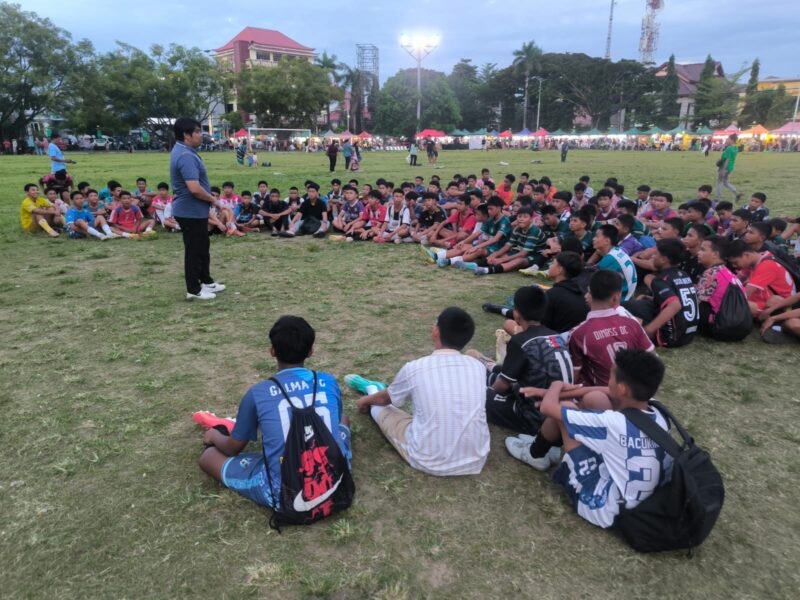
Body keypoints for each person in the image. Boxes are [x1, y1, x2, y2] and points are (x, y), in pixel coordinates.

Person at [198, 316, 352, 512]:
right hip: (335, 478)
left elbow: (232, 448)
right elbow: (337, 419)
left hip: (284, 492)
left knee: (209, 456)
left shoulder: (257, 393)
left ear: (272, 351)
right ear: (311, 351)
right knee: (343, 420)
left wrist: (213, 435)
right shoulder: (329, 381)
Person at [510, 350, 673, 531]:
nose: (607, 381)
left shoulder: (612, 423)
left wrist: (555, 387)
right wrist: (552, 392)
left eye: (611, 376)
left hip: (605, 508)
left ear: (622, 389)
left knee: (566, 409)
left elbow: (548, 407)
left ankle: (535, 453)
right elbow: (604, 391)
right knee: (595, 399)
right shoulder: (658, 411)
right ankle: (546, 447)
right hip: (641, 501)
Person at [354, 307, 489, 476]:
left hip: (428, 459)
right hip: (477, 457)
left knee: (382, 409)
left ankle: (370, 389)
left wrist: (364, 401)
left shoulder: (415, 368)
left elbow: (384, 400)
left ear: (435, 331)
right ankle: (374, 390)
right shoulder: (477, 366)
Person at [482, 286, 574, 436]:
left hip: (535, 418)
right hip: (560, 409)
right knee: (502, 374)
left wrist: (489, 391)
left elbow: (501, 386)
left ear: (516, 314)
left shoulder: (520, 341)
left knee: (478, 394)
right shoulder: (555, 336)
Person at [170, 117, 225, 301]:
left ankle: (206, 281)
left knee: (202, 247)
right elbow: (194, 188)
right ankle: (193, 289)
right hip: (189, 211)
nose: (201, 135)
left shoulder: (185, 151)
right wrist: (214, 201)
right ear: (187, 135)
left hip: (195, 211)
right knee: (194, 250)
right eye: (198, 132)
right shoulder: (185, 156)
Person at [569, 270, 654, 386]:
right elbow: (651, 357)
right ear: (617, 296)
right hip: (631, 393)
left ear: (589, 294)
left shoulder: (579, 333)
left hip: (600, 396)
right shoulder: (633, 324)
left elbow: (573, 377)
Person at [624, 238, 699, 347]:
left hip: (670, 337)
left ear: (664, 260)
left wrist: (649, 329)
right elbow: (681, 301)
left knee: (624, 309)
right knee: (640, 303)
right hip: (688, 335)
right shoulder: (683, 274)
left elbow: (675, 305)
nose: (653, 256)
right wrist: (648, 298)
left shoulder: (660, 280)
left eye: (655, 254)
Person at [726, 239, 796, 318]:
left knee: (738, 304)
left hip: (781, 304)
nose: (734, 266)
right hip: (767, 297)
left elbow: (745, 295)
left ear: (746, 255)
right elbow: (735, 281)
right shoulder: (755, 260)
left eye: (735, 262)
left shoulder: (766, 265)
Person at [472, 207, 547, 275]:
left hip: (535, 256)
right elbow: (507, 246)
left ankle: (488, 270)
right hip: (519, 251)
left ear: (531, 219)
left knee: (519, 260)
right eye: (519, 216)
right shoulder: (517, 229)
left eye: (525, 217)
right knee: (497, 255)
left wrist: (501, 260)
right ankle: (476, 265)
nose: (521, 219)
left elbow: (523, 254)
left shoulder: (534, 230)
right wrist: (494, 255)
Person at [695, 235, 746, 335]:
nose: (698, 252)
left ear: (715, 254)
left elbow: (697, 301)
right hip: (739, 325)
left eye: (702, 250)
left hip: (720, 326)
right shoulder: (728, 273)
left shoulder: (711, 273)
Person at [590, 224, 638, 301]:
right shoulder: (617, 250)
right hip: (628, 292)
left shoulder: (609, 259)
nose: (593, 239)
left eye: (597, 236)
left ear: (607, 241)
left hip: (623, 298)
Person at [715, 133, 741, 201]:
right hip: (730, 167)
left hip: (725, 167)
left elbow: (727, 159)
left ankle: (718, 198)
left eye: (728, 139)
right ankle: (737, 193)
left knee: (719, 181)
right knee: (725, 182)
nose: (726, 140)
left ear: (732, 140)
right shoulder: (735, 148)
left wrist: (723, 169)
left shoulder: (729, 148)